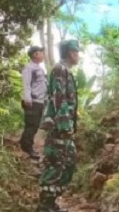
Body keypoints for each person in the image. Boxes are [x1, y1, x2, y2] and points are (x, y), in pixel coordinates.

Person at [37, 39, 80, 212]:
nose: (78, 55)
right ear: (71, 53)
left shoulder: (66, 72)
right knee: (55, 162)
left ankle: (50, 202)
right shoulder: (59, 70)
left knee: (68, 162)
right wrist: (65, 126)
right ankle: (44, 205)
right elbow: (58, 99)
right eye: (77, 52)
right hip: (59, 128)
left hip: (65, 127)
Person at [20, 45, 47, 160]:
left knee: (35, 125)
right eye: (41, 52)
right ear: (35, 54)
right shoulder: (29, 67)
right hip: (32, 101)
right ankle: (26, 147)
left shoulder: (40, 68)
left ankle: (26, 144)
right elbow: (26, 83)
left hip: (39, 101)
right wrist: (27, 97)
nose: (43, 55)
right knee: (31, 125)